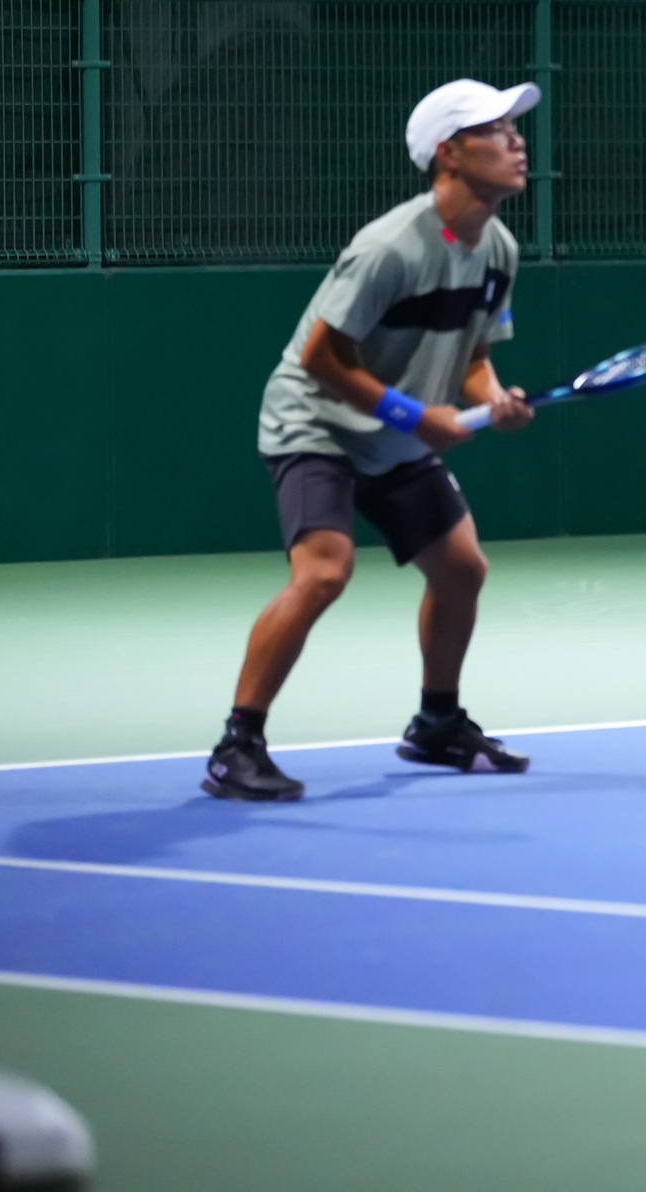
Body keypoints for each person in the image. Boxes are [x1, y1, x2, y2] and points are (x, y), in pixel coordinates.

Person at [203, 80, 543, 801]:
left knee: (462, 570)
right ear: (449, 153)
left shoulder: (499, 249)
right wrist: (416, 417)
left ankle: (437, 725)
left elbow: (474, 353)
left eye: (516, 127)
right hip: (316, 422)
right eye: (497, 129)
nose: (518, 140)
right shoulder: (390, 246)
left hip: (394, 434)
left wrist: (492, 399)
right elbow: (320, 358)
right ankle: (237, 746)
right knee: (324, 572)